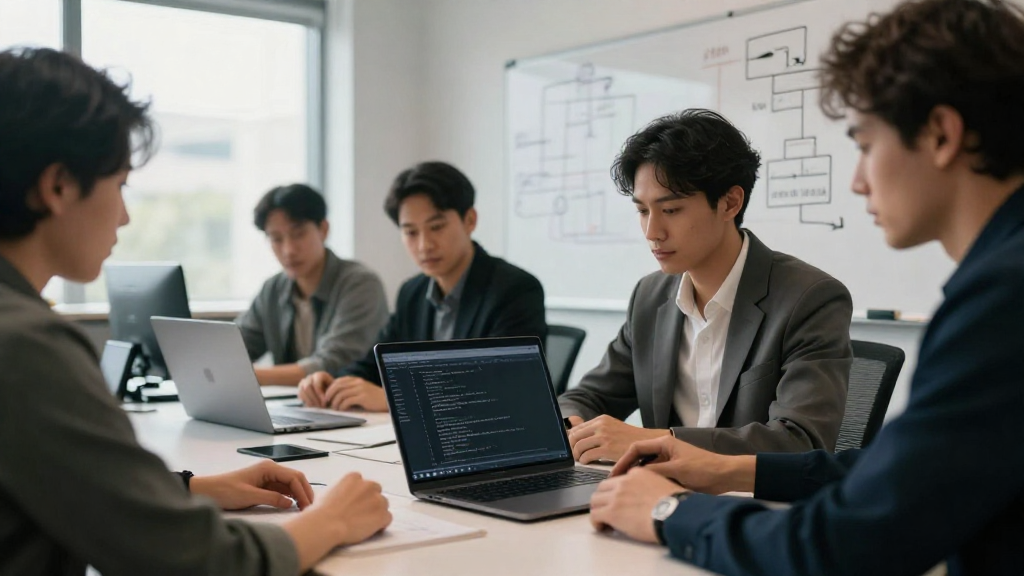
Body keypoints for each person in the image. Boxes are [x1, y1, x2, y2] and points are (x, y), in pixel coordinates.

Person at [588, 1, 1024, 574]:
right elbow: (895, 473)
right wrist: (718, 467)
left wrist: (670, 512)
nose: (858, 181)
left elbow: (850, 539)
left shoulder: (1002, 297)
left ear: (941, 134)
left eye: (865, 145)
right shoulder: (1002, 278)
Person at [0, 47, 391, 575]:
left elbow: (55, 481)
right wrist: (333, 520)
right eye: (120, 185)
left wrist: (190, 488)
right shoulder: (26, 345)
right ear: (58, 186)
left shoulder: (357, 282)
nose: (125, 216)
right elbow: (200, 562)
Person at [558, 109, 853, 463]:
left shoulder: (809, 298)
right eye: (642, 211)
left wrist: (657, 441)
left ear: (730, 203)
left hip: (750, 495)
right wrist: (573, 425)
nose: (652, 232)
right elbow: (587, 397)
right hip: (655, 489)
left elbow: (799, 441)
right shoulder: (650, 297)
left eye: (671, 210)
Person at [297, 161, 547, 412]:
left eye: (436, 227)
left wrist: (398, 400)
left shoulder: (515, 289)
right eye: (411, 232)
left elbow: (503, 385)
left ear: (470, 220)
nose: (424, 245)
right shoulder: (412, 293)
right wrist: (330, 383)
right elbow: (374, 366)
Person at [236, 183, 389, 386]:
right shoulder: (273, 289)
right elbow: (236, 346)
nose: (288, 250)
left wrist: (249, 375)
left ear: (323, 229)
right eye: (276, 239)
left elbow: (334, 363)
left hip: (349, 401)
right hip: (295, 401)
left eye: (298, 234)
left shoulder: (361, 284)